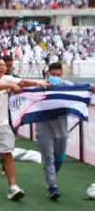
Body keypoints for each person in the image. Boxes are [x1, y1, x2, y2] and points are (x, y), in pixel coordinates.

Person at [0, 57, 48, 200]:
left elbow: (23, 82)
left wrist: (39, 83)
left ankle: (13, 187)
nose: (2, 68)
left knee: (7, 153)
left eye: (4, 66)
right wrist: (9, 87)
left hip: (2, 124)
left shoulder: (7, 78)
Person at [28, 62, 95, 201]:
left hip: (61, 129)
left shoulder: (67, 86)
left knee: (59, 159)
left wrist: (90, 89)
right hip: (43, 129)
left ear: (62, 75)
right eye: (53, 75)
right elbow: (26, 93)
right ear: (47, 74)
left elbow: (81, 89)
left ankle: (52, 177)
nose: (55, 77)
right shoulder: (40, 86)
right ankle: (53, 187)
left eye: (58, 75)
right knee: (49, 159)